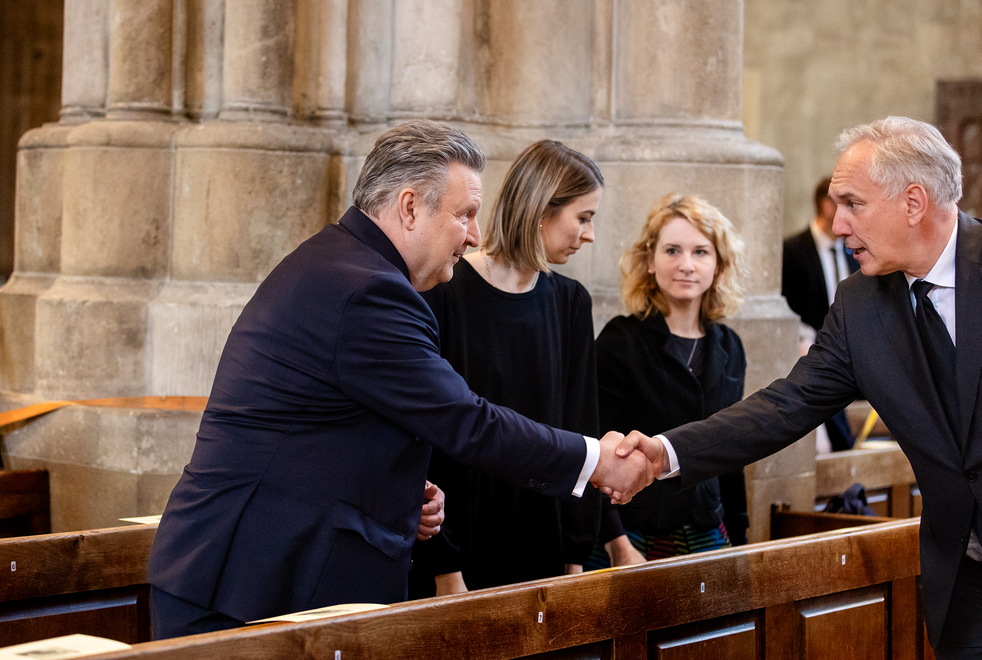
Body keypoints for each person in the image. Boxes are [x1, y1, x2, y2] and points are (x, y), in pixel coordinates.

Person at [145, 120, 658, 639]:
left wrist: (399, 493)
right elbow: (466, 421)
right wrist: (596, 461)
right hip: (245, 584)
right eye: (465, 214)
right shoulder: (367, 291)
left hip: (260, 573)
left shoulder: (346, 264)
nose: (475, 235)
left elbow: (324, 427)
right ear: (410, 207)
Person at [622, 116, 982, 658]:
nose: (838, 224)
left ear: (913, 202)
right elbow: (786, 405)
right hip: (967, 586)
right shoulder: (860, 303)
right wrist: (665, 453)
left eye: (853, 204)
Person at [410, 140, 604, 596]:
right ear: (542, 209)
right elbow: (427, 436)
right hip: (458, 536)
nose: (590, 234)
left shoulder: (570, 302)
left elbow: (581, 426)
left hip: (541, 532)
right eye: (583, 217)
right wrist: (445, 566)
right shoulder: (445, 292)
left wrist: (575, 554)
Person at [588, 194, 748, 569]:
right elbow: (593, 448)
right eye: (672, 250)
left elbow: (734, 451)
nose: (686, 265)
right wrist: (617, 542)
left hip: (708, 526)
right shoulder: (620, 340)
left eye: (700, 252)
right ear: (650, 260)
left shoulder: (729, 346)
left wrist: (741, 540)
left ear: (719, 264)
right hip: (633, 532)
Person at [782, 177, 861, 451]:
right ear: (827, 206)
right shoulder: (792, 251)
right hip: (811, 356)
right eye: (849, 205)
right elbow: (786, 306)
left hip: (853, 361)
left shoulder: (856, 252)